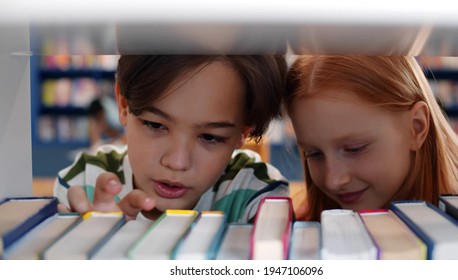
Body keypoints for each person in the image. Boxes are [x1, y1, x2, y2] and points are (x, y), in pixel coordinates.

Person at [54, 55, 289, 223]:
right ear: (124, 106)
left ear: (243, 133)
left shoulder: (258, 195)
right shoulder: (84, 184)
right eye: (155, 125)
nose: (177, 162)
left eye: (210, 137)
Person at [284, 55, 458, 221]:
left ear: (416, 127)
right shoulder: (305, 224)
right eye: (314, 154)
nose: (333, 181)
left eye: (355, 148)